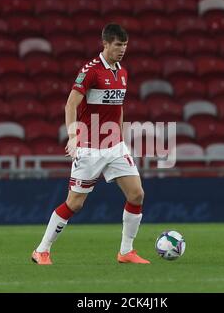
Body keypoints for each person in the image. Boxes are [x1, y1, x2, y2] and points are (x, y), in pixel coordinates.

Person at [31, 23, 150, 265]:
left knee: (137, 194)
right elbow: (70, 104)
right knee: (75, 203)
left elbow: (119, 107)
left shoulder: (123, 72)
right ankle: (41, 250)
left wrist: (121, 134)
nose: (122, 50)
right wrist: (73, 137)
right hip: (90, 147)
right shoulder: (91, 71)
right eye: (118, 45)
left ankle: (126, 251)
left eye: (125, 46)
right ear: (105, 44)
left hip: (115, 145)